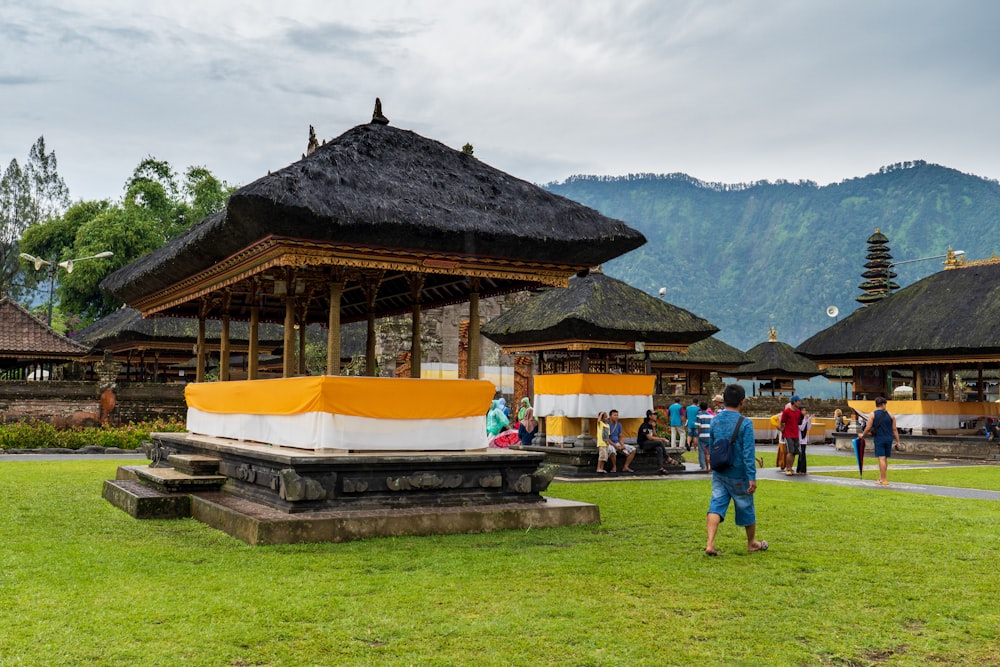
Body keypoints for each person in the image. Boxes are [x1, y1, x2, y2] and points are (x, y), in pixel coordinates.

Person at [705, 383, 767, 556]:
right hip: (739, 474)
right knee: (746, 506)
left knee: (716, 505)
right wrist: (752, 477)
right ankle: (751, 543)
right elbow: (748, 453)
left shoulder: (715, 420)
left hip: (720, 472)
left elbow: (712, 447)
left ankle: (710, 543)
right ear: (743, 401)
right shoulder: (745, 423)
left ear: (723, 400)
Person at [859, 396, 900, 486]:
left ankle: (884, 479)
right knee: (885, 459)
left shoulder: (872, 414)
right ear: (883, 404)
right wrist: (898, 441)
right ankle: (882, 478)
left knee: (881, 458)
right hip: (889, 438)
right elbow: (894, 429)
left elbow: (868, 427)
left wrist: (863, 435)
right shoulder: (891, 415)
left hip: (879, 438)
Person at [637, 410, 673, 474]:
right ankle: (667, 458)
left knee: (659, 449)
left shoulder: (653, 424)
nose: (656, 416)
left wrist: (653, 427)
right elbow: (649, 438)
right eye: (654, 414)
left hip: (651, 443)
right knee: (660, 442)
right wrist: (662, 439)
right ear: (650, 416)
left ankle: (660, 467)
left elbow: (655, 435)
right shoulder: (644, 425)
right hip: (644, 443)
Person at [607, 408, 637, 473]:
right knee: (612, 451)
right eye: (614, 415)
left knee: (633, 449)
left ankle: (626, 466)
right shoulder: (606, 424)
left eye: (617, 415)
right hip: (609, 443)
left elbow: (620, 437)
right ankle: (614, 466)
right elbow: (607, 438)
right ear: (610, 416)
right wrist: (615, 446)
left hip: (617, 442)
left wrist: (622, 445)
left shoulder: (619, 424)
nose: (616, 417)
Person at [779, 395, 803, 475]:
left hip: (795, 434)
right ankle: (787, 468)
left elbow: (798, 422)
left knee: (795, 452)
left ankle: (791, 468)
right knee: (790, 451)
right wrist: (782, 431)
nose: (799, 403)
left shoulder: (798, 412)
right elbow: (782, 422)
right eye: (798, 401)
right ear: (794, 402)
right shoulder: (787, 411)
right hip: (788, 434)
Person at [696, 401, 713, 470]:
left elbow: (699, 426)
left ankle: (703, 466)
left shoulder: (699, 415)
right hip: (709, 435)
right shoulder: (711, 416)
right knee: (710, 452)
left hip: (702, 435)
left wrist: (698, 434)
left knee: (701, 451)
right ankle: (711, 466)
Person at [797, 406, 812, 475]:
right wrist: (805, 420)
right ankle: (802, 470)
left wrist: (809, 420)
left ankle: (800, 469)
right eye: (803, 410)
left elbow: (808, 428)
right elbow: (801, 428)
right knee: (802, 454)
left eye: (805, 410)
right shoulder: (799, 419)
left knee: (802, 454)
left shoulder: (804, 419)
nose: (804, 412)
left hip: (804, 438)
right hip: (799, 438)